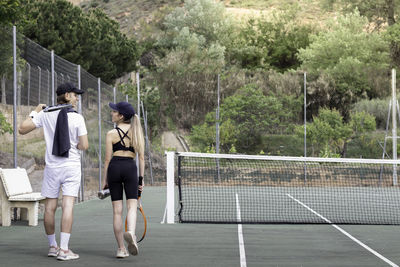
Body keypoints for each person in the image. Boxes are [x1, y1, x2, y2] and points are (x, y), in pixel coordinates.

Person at [18, 82, 88, 261]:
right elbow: (84, 145)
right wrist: (78, 145)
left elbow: (22, 129)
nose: (77, 98)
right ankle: (64, 250)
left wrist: (36, 111)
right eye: (74, 95)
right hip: (71, 166)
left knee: (49, 207)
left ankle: (53, 246)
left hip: (52, 168)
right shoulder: (78, 118)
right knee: (68, 205)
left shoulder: (46, 114)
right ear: (66, 96)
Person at [102, 101, 145, 258]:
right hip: (130, 169)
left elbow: (107, 160)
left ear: (121, 116)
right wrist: (141, 180)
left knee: (117, 211)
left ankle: (121, 249)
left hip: (114, 168)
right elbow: (141, 158)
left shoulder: (110, 134)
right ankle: (131, 234)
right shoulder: (137, 133)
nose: (112, 113)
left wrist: (104, 180)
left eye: (114, 112)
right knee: (132, 206)